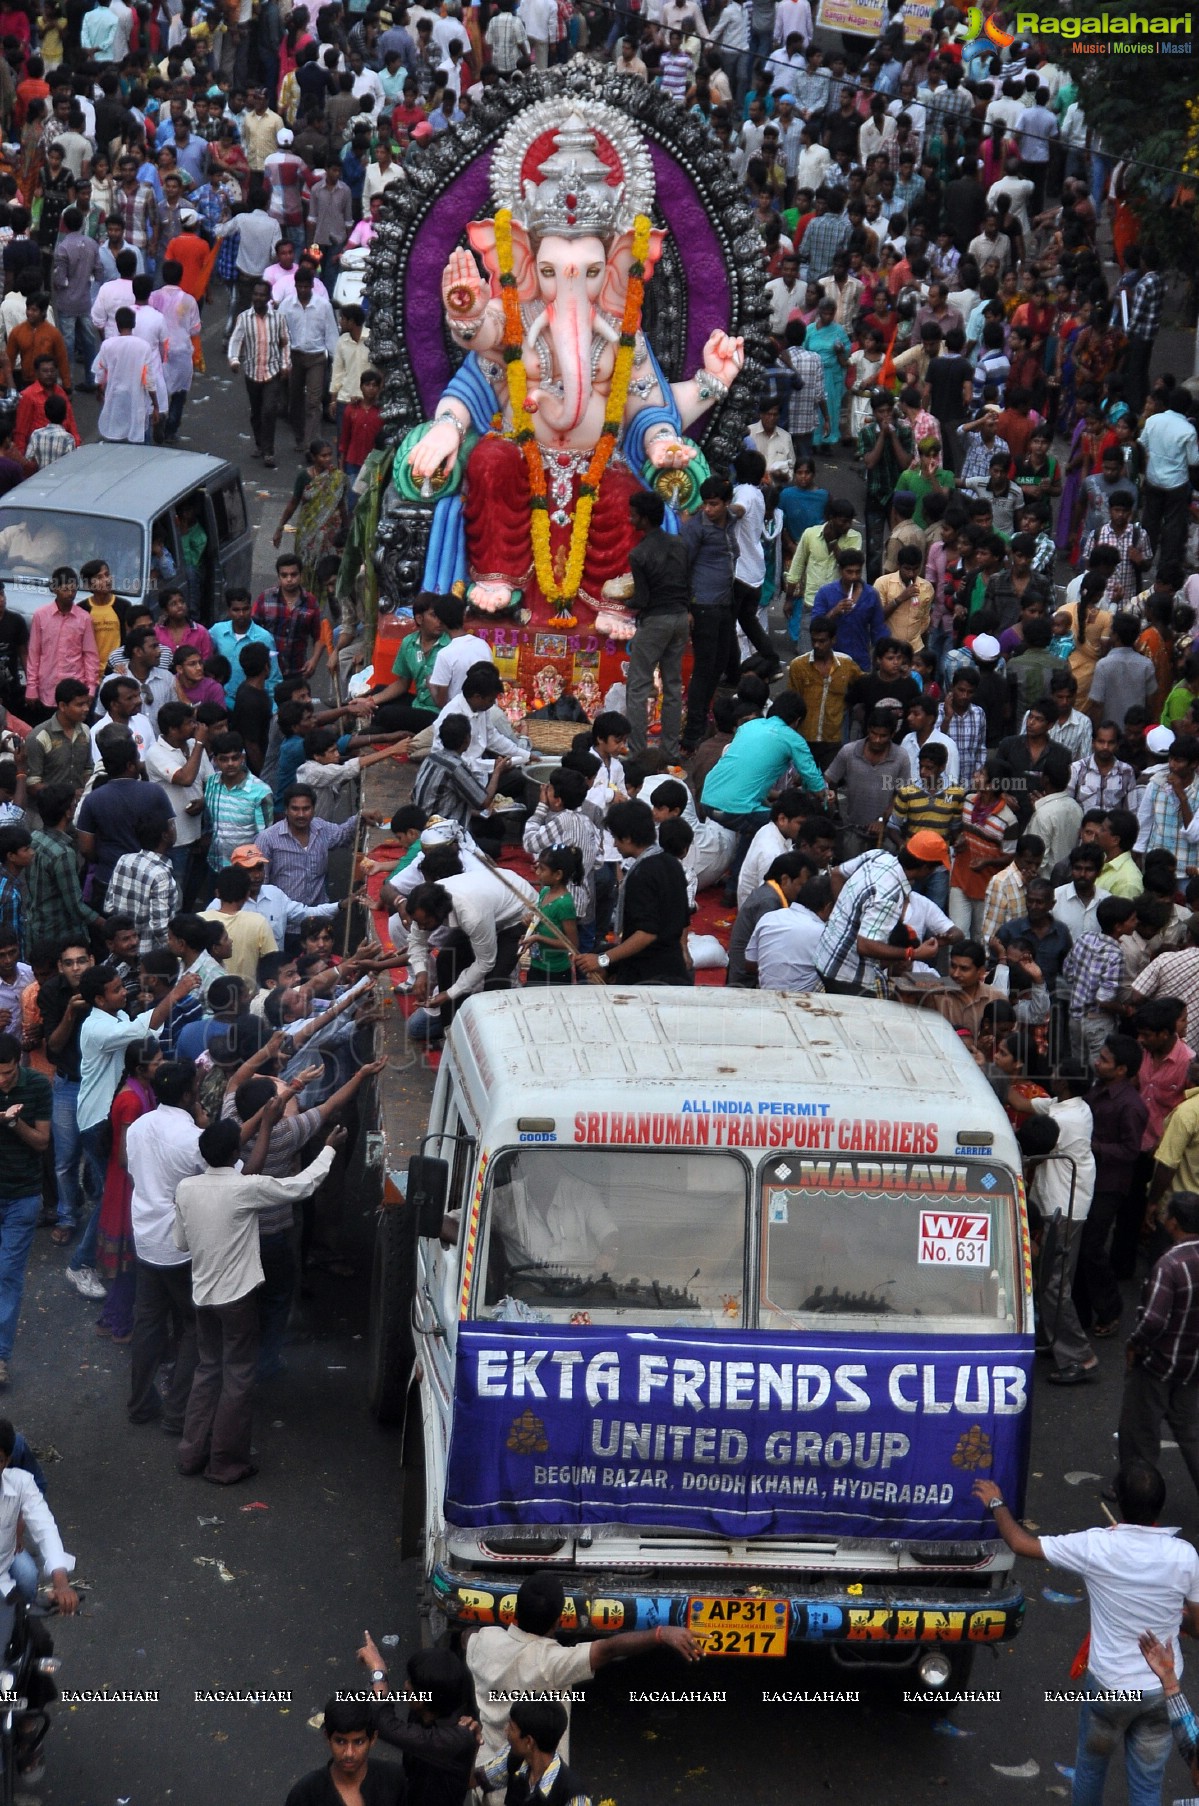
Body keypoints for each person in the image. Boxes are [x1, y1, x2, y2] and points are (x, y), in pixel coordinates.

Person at [975, 1459, 1198, 1806]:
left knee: (1091, 1772)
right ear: (1160, 1506)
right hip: (1161, 1690)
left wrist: (996, 1502)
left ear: (1119, 1502)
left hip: (1110, 1690)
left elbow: (1020, 1543)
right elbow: (1196, 1627)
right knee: (1147, 1787)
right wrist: (1178, 1620)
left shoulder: (1096, 1546)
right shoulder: (1185, 1557)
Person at [174, 1100, 341, 1485]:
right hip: (237, 1300)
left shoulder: (186, 1188)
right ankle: (224, 1463)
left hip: (203, 1297)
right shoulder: (243, 1188)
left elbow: (181, 1243)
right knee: (238, 1377)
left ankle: (191, 1452)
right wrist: (329, 1147)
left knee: (207, 1372)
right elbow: (302, 1186)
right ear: (235, 1154)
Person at [465, 1570, 698, 1769]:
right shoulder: (553, 1663)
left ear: (515, 1612)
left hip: (486, 1773)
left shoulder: (484, 1641)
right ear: (557, 1622)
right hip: (536, 1786)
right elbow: (609, 1649)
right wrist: (660, 1634)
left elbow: (467, 1637)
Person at [125, 1057, 204, 1434]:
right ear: (189, 1094)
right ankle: (176, 1413)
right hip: (180, 1247)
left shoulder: (138, 1127)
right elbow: (222, 1173)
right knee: (192, 1326)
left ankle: (140, 1403)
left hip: (146, 1240)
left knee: (148, 1324)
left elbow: (134, 1171)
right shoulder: (192, 1139)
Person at [815, 834, 950, 995]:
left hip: (826, 955)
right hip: (848, 975)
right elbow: (865, 945)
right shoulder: (890, 894)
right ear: (925, 868)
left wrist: (847, 915)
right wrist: (913, 953)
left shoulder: (877, 855)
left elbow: (837, 873)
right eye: (934, 868)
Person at [0, 1031, 51, 1387]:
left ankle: (0, 1357)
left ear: (18, 1062)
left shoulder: (37, 1086)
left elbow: (42, 1142)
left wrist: (14, 1123)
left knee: (8, 1274)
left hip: (23, 1195)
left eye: (6, 1072)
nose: (1, 1080)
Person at [625, 489, 691, 762]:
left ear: (643, 519)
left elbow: (641, 598)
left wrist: (622, 599)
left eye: (633, 515)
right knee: (673, 686)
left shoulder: (639, 554)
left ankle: (638, 752)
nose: (630, 519)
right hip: (680, 618)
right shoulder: (679, 544)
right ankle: (670, 752)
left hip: (655, 622)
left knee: (638, 688)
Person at [284, 1697, 406, 1806]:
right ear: (328, 1738)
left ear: (373, 1739)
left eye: (358, 1742)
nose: (349, 1753)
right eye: (341, 1742)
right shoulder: (306, 1794)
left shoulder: (394, 1780)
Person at [25, 570, 98, 718]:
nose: (70, 593)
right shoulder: (41, 615)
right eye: (65, 589)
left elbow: (90, 655)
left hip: (75, 688)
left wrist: (90, 688)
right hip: (48, 688)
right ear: (55, 589)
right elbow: (34, 653)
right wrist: (31, 687)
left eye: (73, 589)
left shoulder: (84, 618)